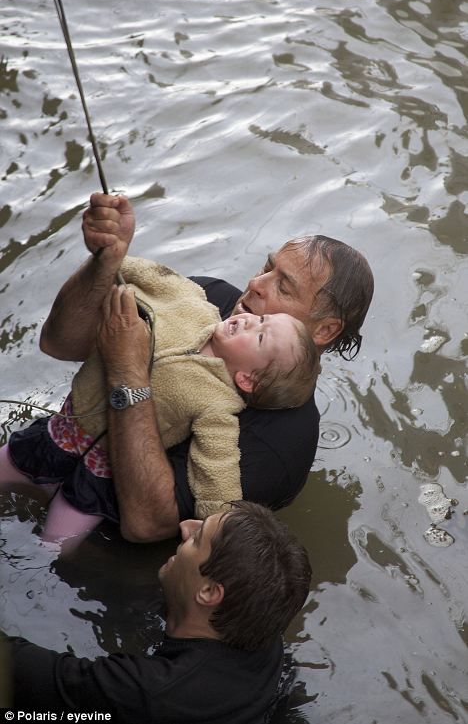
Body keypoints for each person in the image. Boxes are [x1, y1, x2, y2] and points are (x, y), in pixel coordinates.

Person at [10, 193, 374, 543]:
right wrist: (104, 265)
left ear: (324, 330)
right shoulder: (208, 299)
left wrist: (128, 371)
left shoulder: (280, 444)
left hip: (88, 558)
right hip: (46, 448)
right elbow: (59, 344)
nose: (255, 284)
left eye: (284, 286)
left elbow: (145, 526)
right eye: (267, 267)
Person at [1, 254, 319, 544]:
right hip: (59, 432)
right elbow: (161, 277)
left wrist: (215, 528)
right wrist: (111, 259)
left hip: (101, 479)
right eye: (262, 320)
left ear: (246, 379)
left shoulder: (219, 404)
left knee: (53, 544)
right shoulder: (199, 306)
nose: (251, 319)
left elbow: (217, 468)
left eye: (260, 335)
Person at [5, 501, 312, 722]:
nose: (184, 527)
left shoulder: (150, 693)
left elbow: (15, 668)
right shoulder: (261, 631)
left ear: (208, 592)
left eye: (197, 538)